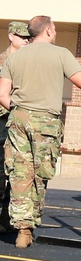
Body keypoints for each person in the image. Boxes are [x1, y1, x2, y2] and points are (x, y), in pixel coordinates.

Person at [0, 15, 81, 248]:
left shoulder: (14, 56)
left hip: (18, 119)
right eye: (55, 29)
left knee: (20, 175)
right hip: (46, 122)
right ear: (48, 31)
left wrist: (22, 110)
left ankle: (21, 227)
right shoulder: (60, 53)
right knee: (40, 175)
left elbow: (2, 95)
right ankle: (29, 227)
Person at [0, 21, 31, 233]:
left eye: (28, 38)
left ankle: (6, 219)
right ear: (11, 36)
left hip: (18, 120)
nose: (26, 41)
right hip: (3, 119)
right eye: (22, 37)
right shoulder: (3, 60)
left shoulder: (27, 61)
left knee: (16, 171)